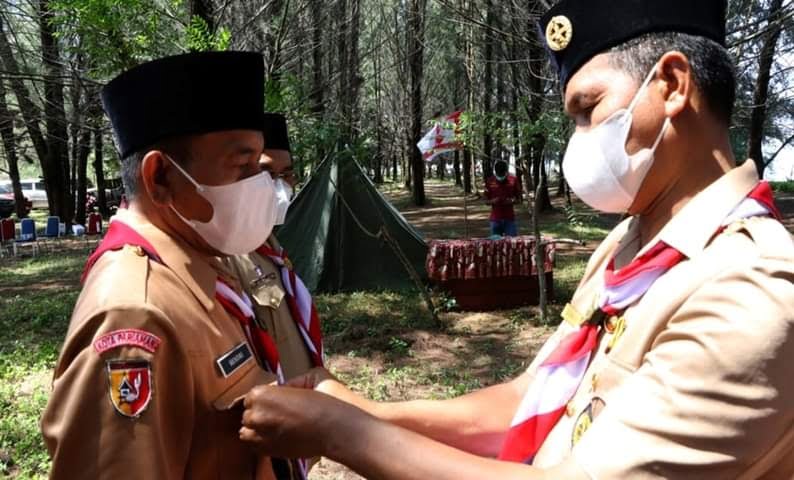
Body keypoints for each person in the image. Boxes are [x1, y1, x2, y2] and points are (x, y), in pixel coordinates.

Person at [236, 1, 794, 479]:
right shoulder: (635, 244)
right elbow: (531, 400)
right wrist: (370, 412)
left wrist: (343, 432)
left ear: (671, 85)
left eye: (588, 109)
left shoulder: (747, 290)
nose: (579, 140)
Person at [41, 52, 286, 479]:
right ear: (160, 177)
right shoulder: (135, 314)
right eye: (241, 165)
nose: (260, 184)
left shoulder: (200, 268)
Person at [223, 113, 324, 479]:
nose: (280, 186)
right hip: (266, 440)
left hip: (296, 424)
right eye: (267, 173)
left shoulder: (267, 241)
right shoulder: (227, 253)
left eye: (287, 174)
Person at [484, 160, 522, 237]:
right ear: (495, 172)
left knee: (512, 242)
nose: (501, 176)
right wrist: (492, 201)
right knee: (496, 243)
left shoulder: (513, 180)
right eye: (499, 174)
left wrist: (512, 201)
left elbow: (519, 199)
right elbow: (485, 200)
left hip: (509, 219)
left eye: (502, 174)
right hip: (495, 219)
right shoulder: (490, 181)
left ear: (506, 171)